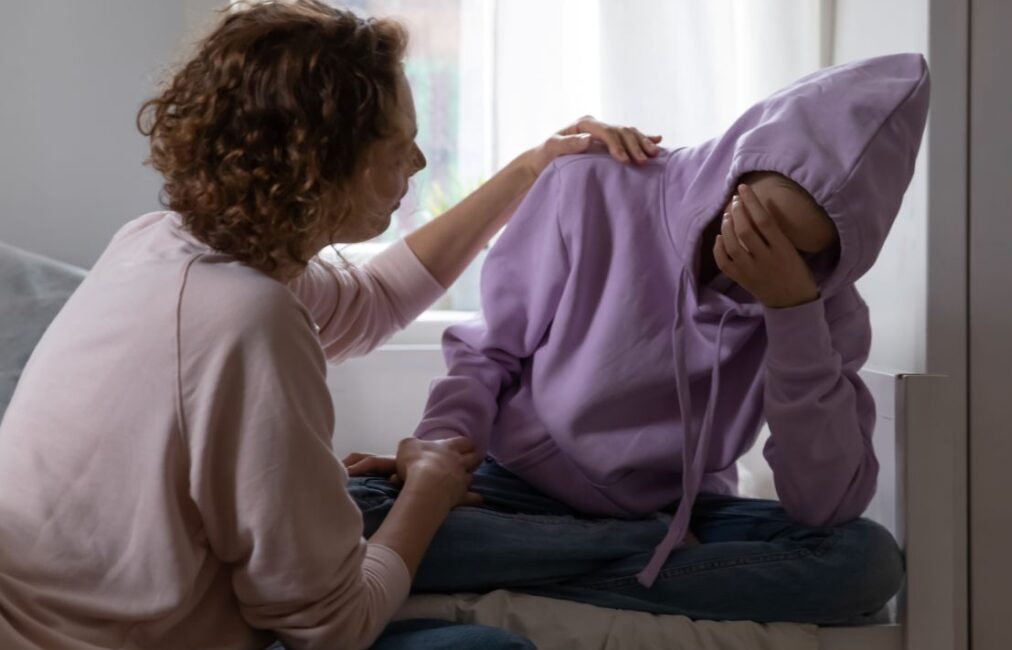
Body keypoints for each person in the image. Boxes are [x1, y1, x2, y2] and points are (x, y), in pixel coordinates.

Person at [0, 2, 658, 649]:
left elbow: (374, 300)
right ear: (325, 160)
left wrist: (531, 169)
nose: (419, 163)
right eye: (398, 145)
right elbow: (332, 629)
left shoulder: (161, 241)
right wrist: (429, 488)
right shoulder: (247, 318)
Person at [344, 53, 931, 624]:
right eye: (754, 222)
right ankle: (631, 557)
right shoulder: (591, 187)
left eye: (798, 251)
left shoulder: (823, 310)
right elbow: (485, 353)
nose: (759, 254)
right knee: (349, 514)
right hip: (518, 488)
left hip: (680, 511)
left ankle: (573, 564)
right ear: (737, 168)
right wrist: (437, 456)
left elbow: (824, 505)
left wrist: (791, 314)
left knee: (864, 561)